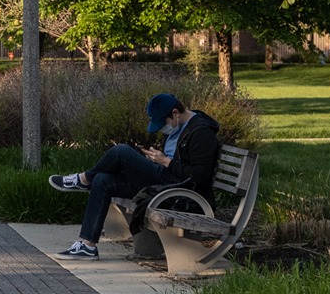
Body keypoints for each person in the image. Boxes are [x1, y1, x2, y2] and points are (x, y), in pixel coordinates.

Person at [45, 92, 219, 260]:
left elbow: (200, 176)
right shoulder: (178, 126)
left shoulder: (201, 132)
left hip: (179, 192)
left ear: (175, 113)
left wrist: (165, 161)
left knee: (121, 151)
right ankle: (87, 246)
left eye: (162, 123)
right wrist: (155, 160)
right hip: (165, 183)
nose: (162, 130)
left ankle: (84, 179)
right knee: (102, 180)